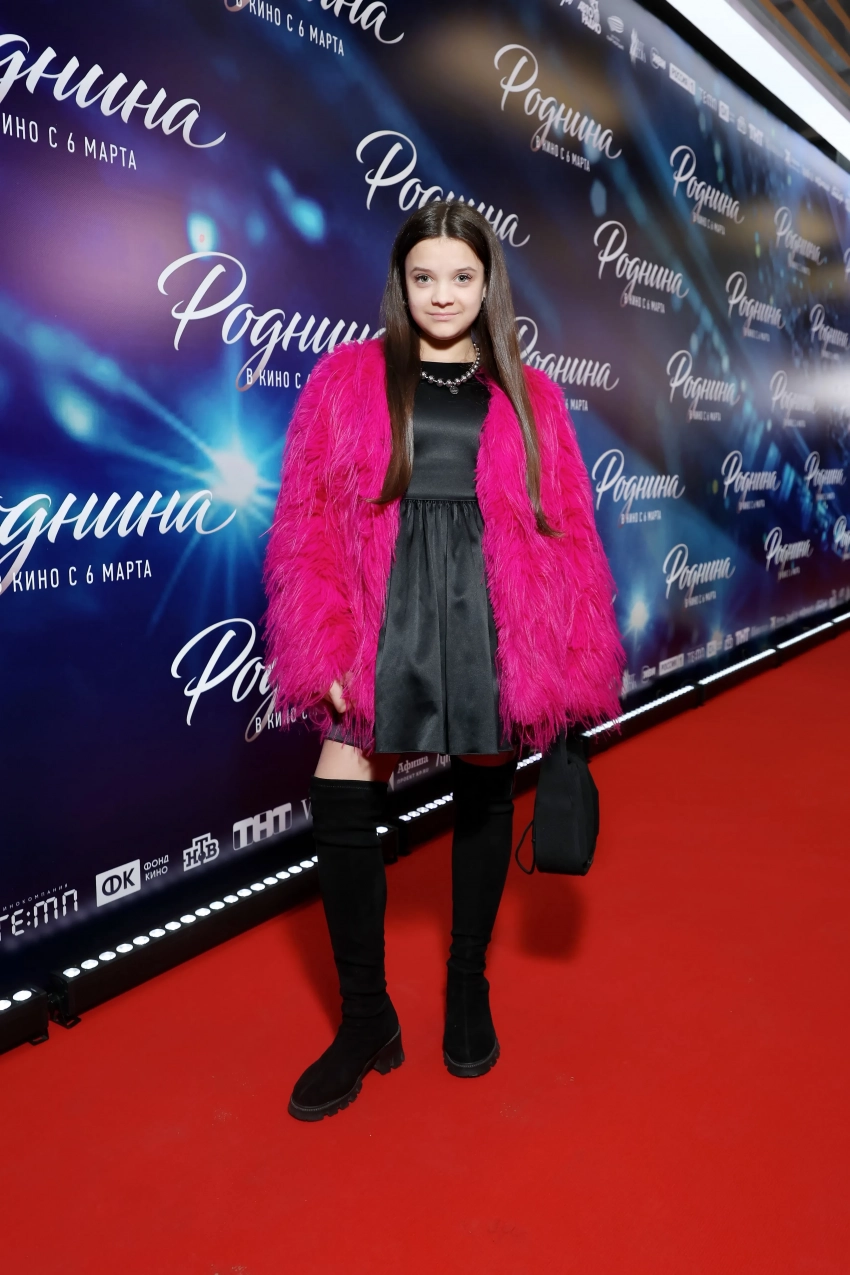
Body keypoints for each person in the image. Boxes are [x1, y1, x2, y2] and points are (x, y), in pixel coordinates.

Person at [263, 201, 624, 1122]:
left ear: (488, 283)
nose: (442, 294)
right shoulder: (346, 380)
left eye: (461, 276)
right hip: (382, 611)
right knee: (341, 790)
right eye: (424, 276)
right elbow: (305, 521)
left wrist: (566, 655)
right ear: (401, 282)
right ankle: (365, 1018)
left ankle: (468, 981)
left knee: (485, 785)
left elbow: (569, 535)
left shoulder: (532, 396)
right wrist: (320, 637)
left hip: (489, 611)